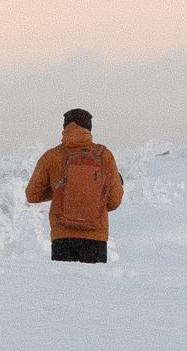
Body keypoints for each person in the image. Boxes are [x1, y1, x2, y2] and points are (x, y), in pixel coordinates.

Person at [25, 107, 124, 263]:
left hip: (62, 237)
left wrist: (60, 191)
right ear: (89, 128)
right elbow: (114, 201)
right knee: (93, 286)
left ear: (64, 127)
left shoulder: (51, 156)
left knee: (64, 286)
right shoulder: (104, 156)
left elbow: (32, 195)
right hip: (95, 237)